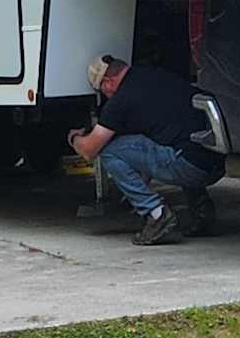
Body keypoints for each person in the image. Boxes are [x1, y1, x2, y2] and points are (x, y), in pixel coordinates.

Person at [70, 51, 222, 245]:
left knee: (108, 151)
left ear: (107, 83)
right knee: (180, 138)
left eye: (102, 91)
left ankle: (156, 214)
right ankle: (202, 211)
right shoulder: (154, 75)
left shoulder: (120, 101)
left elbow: (89, 150)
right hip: (215, 162)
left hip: (190, 167)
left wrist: (74, 138)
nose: (106, 96)